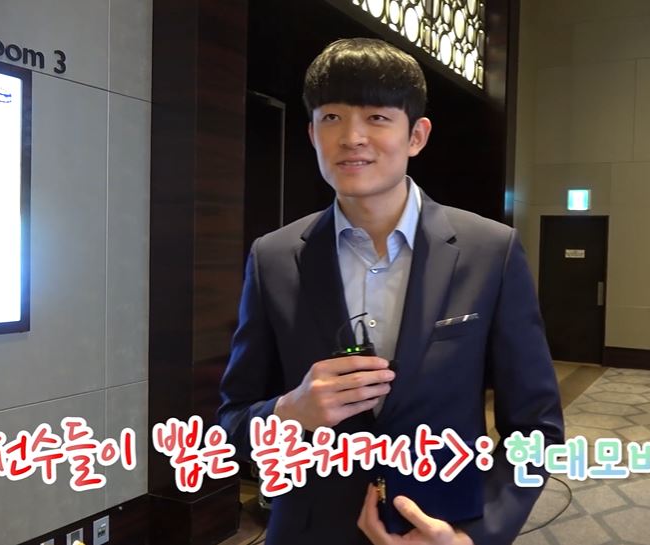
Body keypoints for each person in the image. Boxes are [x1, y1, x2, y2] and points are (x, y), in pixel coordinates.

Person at [218, 37, 563, 545]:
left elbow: (536, 430)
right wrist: (289, 412)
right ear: (311, 133)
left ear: (416, 135)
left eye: (377, 117)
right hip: (310, 530)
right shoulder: (273, 257)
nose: (352, 137)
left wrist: (474, 536)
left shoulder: (491, 250)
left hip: (439, 526)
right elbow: (231, 423)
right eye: (331, 117)